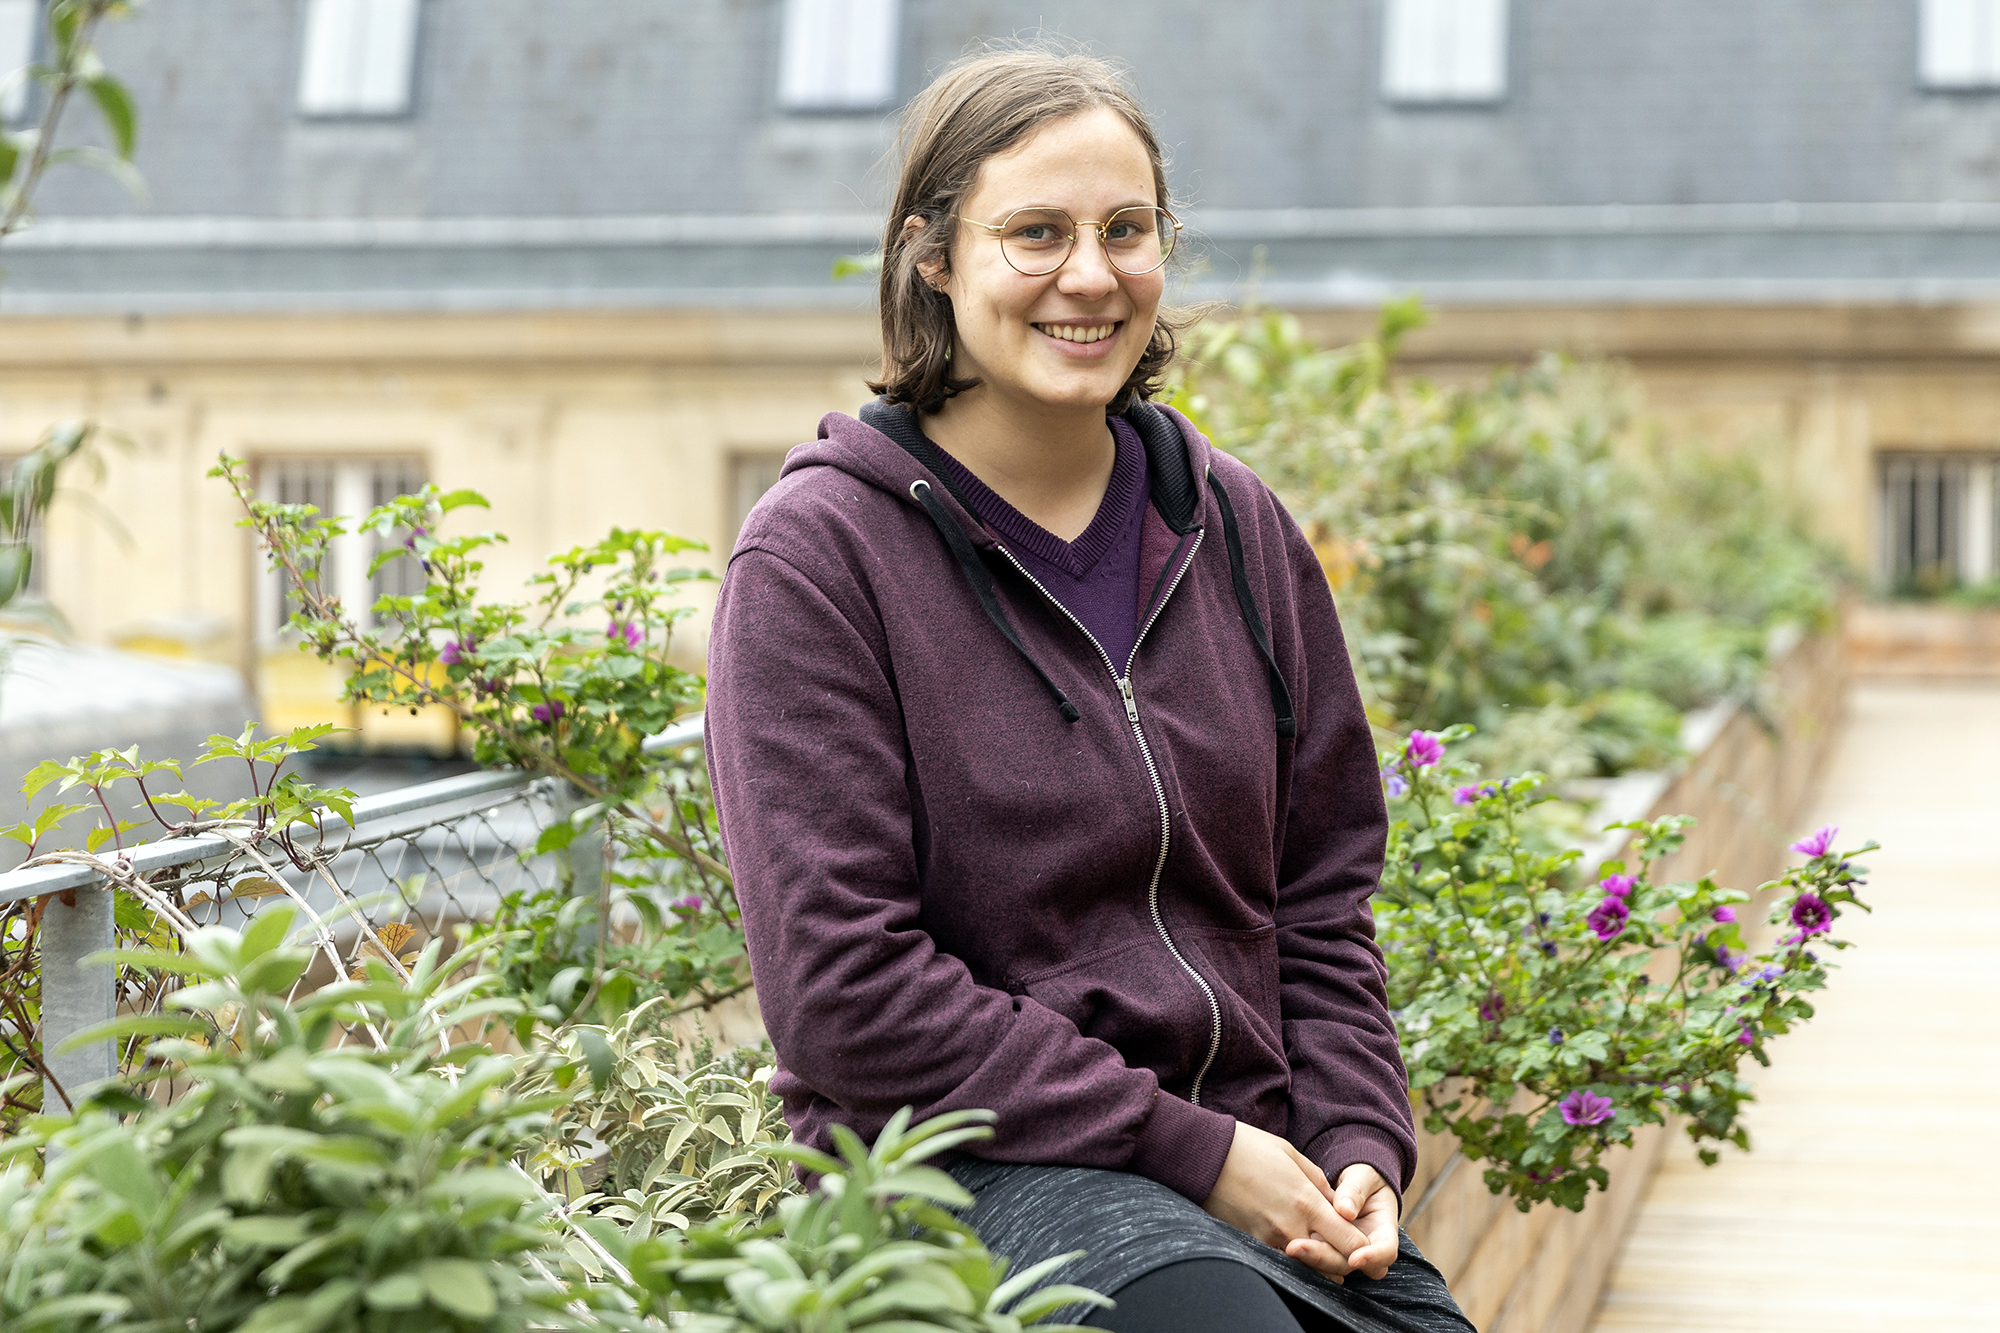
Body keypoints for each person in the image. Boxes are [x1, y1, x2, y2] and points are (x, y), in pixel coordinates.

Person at [704, 46, 1473, 1333]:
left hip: (1248, 1157)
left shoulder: (1236, 531)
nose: (1089, 273)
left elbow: (1320, 895)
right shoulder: (819, 560)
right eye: (1035, 232)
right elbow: (844, 990)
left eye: (1126, 229)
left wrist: (1353, 1135)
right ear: (931, 256)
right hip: (957, 1169)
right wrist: (1188, 1149)